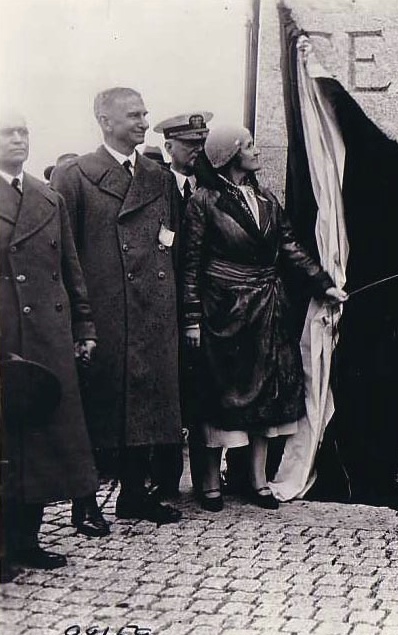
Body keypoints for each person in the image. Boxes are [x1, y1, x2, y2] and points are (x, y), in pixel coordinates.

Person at [181, 124, 346, 512]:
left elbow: (290, 248)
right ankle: (208, 484)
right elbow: (190, 265)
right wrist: (191, 318)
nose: (256, 151)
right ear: (231, 154)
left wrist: (324, 285)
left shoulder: (266, 199)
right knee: (218, 397)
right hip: (222, 312)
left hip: (265, 311)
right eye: (249, 145)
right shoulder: (204, 201)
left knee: (264, 399)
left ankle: (256, 482)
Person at [51, 87, 183, 525]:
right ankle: (84, 502)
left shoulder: (157, 176)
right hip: (105, 309)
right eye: (133, 116)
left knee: (146, 403)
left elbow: (171, 239)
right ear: (105, 121)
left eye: (145, 113)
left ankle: (134, 495)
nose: (144, 122)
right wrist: (77, 319)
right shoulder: (75, 176)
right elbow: (63, 254)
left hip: (152, 308)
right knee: (99, 407)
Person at [0, 109, 102, 579]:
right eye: (7, 133)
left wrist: (84, 329)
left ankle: (29, 539)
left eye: (24, 131)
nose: (18, 140)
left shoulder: (48, 197)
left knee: (43, 441)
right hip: (6, 335)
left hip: (49, 337)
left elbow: (71, 271)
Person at [151, 112, 212, 501]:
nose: (196, 151)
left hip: (210, 306)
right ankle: (165, 478)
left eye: (201, 143)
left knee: (205, 391)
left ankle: (210, 478)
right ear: (169, 146)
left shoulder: (211, 187)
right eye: (189, 144)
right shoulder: (155, 187)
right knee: (165, 391)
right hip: (164, 306)